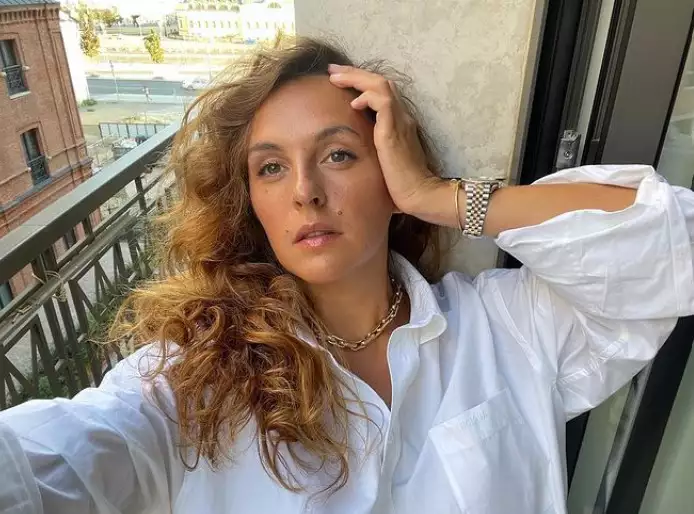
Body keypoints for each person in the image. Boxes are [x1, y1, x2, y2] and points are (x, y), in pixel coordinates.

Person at [1, 37, 693, 514]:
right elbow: (58, 460)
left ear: (392, 173)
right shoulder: (194, 383)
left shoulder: (508, 327)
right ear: (251, 204)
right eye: (272, 168)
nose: (305, 191)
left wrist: (442, 197)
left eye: (338, 155)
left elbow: (671, 244)